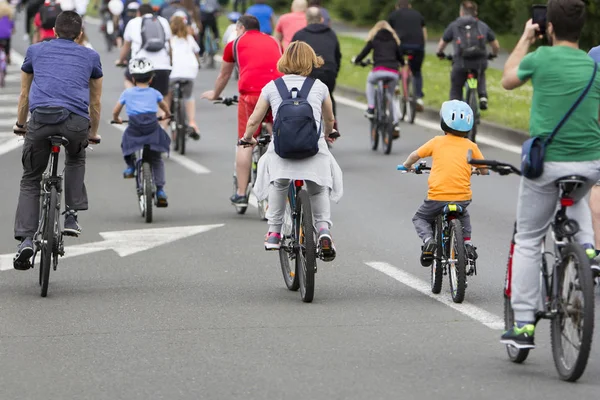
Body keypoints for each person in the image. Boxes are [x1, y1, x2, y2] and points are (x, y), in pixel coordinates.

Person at [499, 0, 600, 349]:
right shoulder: (593, 66)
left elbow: (507, 80)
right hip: (590, 162)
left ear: (550, 28)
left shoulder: (540, 58)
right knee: (578, 196)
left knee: (528, 238)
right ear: (582, 29)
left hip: (547, 164)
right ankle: (587, 250)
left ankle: (525, 324)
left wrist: (526, 39)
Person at [12, 10, 103, 269]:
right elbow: (95, 102)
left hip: (41, 120)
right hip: (75, 122)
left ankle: (26, 239)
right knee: (75, 156)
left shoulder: (35, 51)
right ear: (81, 34)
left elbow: (24, 95)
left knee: (30, 178)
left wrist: (21, 125)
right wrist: (92, 133)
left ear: (53, 31)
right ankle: (72, 215)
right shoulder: (91, 56)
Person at [240, 41, 342, 260]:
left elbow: (254, 119)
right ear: (310, 61)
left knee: (279, 182)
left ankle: (274, 232)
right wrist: (329, 132)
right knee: (318, 188)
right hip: (312, 151)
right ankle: (323, 230)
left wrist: (248, 138)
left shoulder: (271, 87)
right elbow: (329, 119)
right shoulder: (320, 87)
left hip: (283, 151)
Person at [200, 15, 282, 207]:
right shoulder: (274, 41)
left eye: (237, 29)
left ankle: (241, 193)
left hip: (251, 94)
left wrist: (215, 94)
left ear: (241, 28)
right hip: (278, 91)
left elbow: (224, 74)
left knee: (245, 141)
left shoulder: (234, 44)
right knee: (276, 132)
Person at [400, 100, 485, 265]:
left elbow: (415, 155)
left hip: (437, 197)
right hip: (462, 197)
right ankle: (467, 243)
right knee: (463, 214)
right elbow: (484, 168)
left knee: (420, 218)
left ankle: (428, 240)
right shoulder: (471, 146)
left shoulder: (436, 142)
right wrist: (479, 171)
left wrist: (406, 165)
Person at [113, 58, 171, 206]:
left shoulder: (127, 93)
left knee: (126, 142)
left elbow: (116, 110)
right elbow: (164, 107)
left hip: (135, 128)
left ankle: (131, 166)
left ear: (133, 78)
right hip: (152, 127)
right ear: (151, 78)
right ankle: (160, 190)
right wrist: (167, 115)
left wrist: (116, 118)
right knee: (157, 158)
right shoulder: (155, 92)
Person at [436, 1, 499, 110]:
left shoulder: (454, 25)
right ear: (476, 12)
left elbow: (442, 44)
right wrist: (493, 54)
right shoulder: (482, 25)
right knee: (480, 73)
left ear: (461, 12)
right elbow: (496, 45)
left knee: (456, 87)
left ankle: (456, 111)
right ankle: (482, 96)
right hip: (479, 61)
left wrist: (440, 53)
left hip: (460, 63)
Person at [117, 3, 172, 127]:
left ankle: (135, 101)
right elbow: (170, 44)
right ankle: (162, 127)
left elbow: (127, 45)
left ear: (138, 13)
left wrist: (120, 60)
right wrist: (170, 62)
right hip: (162, 65)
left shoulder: (133, 22)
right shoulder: (163, 21)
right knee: (164, 94)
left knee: (127, 79)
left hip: (140, 65)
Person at [352, 20, 404, 136]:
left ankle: (371, 107)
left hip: (378, 71)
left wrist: (356, 60)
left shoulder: (374, 40)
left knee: (370, 81)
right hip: (393, 73)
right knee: (391, 97)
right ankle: (395, 123)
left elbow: (363, 53)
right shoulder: (394, 41)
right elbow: (400, 58)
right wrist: (401, 63)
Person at [291, 7, 340, 120]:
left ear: (306, 19)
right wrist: (334, 72)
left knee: (301, 100)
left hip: (307, 74)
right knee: (328, 95)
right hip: (328, 73)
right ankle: (333, 125)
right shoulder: (331, 34)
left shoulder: (299, 35)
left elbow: (292, 58)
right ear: (322, 19)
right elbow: (337, 56)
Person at [387, 0, 426, 108]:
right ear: (410, 6)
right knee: (417, 72)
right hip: (417, 47)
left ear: (397, 7)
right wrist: (422, 46)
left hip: (401, 46)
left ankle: (395, 85)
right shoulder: (418, 15)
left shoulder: (393, 15)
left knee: (394, 63)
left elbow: (390, 33)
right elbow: (424, 33)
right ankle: (418, 97)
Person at [169, 14, 200, 137]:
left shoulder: (169, 38)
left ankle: (165, 123)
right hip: (189, 71)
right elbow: (196, 52)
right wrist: (198, 63)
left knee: (168, 95)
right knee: (189, 96)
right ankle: (192, 122)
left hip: (173, 72)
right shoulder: (189, 38)